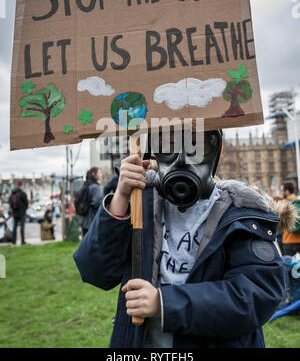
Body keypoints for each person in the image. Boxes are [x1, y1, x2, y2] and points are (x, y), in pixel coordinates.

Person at [74, 130, 290, 348]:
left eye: (197, 147)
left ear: (218, 150)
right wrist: (120, 198)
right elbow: (95, 272)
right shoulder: (141, 203)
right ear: (155, 152)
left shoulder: (242, 214)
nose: (183, 159)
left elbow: (256, 296)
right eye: (168, 147)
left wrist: (164, 303)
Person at [79, 167, 103, 238]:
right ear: (93, 174)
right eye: (99, 172)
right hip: (92, 220)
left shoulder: (86, 185)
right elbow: (98, 203)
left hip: (84, 219)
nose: (101, 174)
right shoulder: (95, 187)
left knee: (85, 241)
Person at [280, 182, 300, 256]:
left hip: (288, 239)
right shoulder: (299, 201)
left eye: (282, 191)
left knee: (287, 264)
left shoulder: (283, 203)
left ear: (287, 191)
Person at [9, 180, 28, 246]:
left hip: (15, 213)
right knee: (22, 227)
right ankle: (22, 241)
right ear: (21, 186)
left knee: (15, 227)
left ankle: (14, 242)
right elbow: (26, 203)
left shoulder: (12, 194)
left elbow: (10, 204)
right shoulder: (22, 193)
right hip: (21, 212)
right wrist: (24, 209)